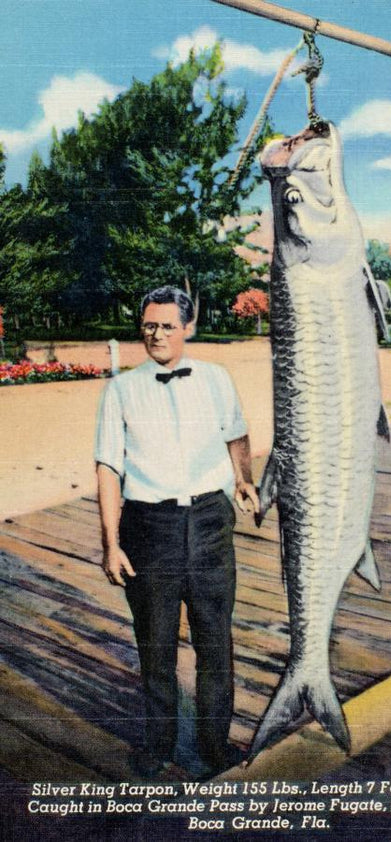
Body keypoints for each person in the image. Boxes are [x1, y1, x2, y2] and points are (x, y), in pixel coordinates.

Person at [94, 285, 259, 779]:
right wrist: (111, 542)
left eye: (167, 325)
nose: (157, 334)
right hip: (149, 527)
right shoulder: (121, 389)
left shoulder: (217, 378)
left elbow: (236, 434)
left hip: (210, 523)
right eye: (149, 326)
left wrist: (243, 480)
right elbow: (107, 468)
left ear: (188, 327)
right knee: (156, 648)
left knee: (215, 644)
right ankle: (158, 747)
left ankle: (214, 745)